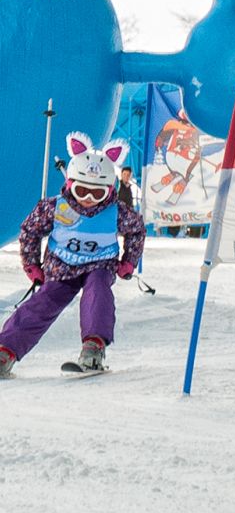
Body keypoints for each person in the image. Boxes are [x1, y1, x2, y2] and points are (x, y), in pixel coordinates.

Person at [0, 131, 145, 378]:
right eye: (82, 191)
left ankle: (93, 347)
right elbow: (30, 231)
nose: (88, 199)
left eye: (97, 194)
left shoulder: (117, 211)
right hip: (62, 266)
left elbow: (136, 231)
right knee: (43, 302)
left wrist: (129, 261)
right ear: (70, 185)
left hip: (100, 264)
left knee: (97, 293)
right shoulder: (55, 206)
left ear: (110, 190)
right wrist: (32, 265)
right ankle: (6, 350)